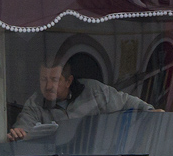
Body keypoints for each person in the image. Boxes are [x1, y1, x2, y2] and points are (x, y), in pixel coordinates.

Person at [8, 60, 156, 142]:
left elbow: (126, 102)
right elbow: (23, 130)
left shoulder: (94, 91)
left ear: (68, 81)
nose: (48, 86)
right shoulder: (34, 103)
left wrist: (151, 112)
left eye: (54, 80)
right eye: (43, 79)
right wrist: (19, 134)